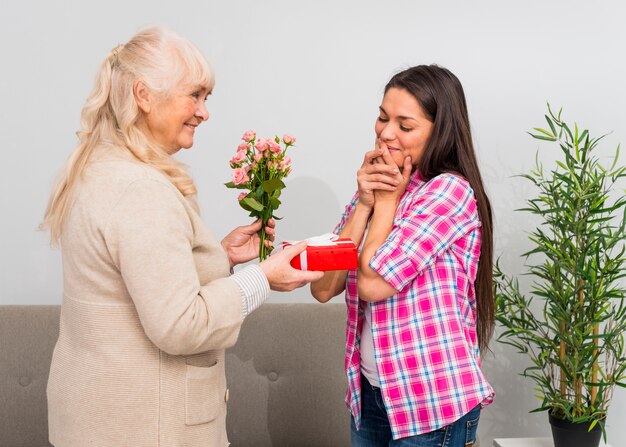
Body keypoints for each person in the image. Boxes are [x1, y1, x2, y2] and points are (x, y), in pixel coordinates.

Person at [41, 27, 322, 447]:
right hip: (145, 429)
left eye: (206, 98)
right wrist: (263, 277)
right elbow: (179, 326)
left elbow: (137, 280)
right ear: (143, 95)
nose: (204, 112)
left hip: (99, 421)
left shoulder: (102, 168)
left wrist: (220, 257)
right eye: (194, 95)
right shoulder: (140, 188)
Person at [311, 65, 495, 446]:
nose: (385, 132)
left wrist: (387, 203)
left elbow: (374, 284)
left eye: (404, 125)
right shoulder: (382, 186)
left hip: (430, 403)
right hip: (371, 395)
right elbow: (324, 287)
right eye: (382, 117)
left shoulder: (448, 192)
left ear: (439, 130)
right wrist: (364, 205)